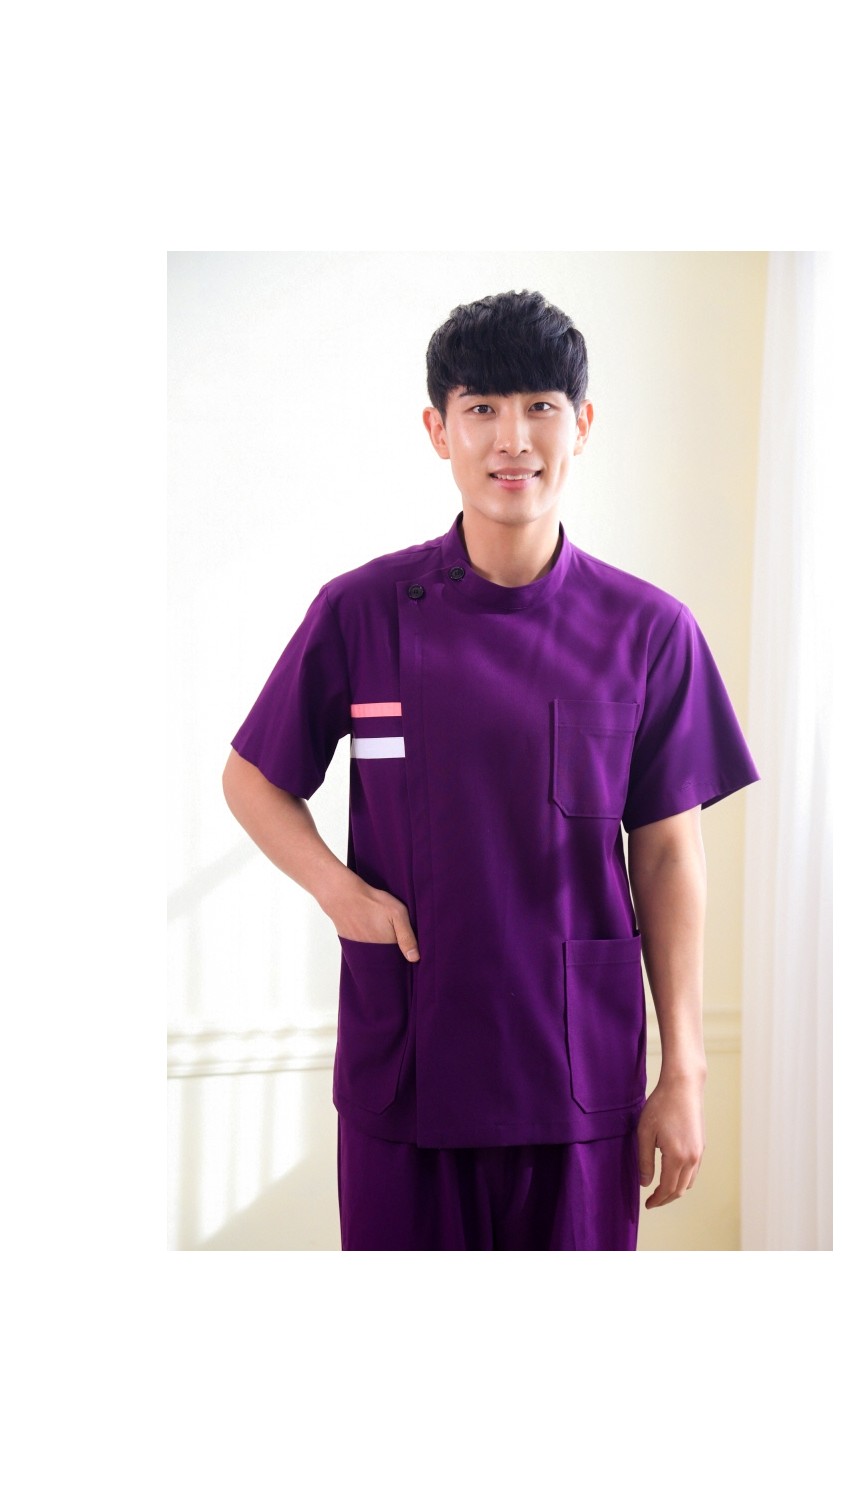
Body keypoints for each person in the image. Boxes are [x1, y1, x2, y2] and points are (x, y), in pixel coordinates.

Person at [222, 289, 759, 1251]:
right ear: (440, 430)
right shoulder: (361, 612)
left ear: (581, 424)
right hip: (408, 1070)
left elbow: (668, 854)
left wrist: (684, 1069)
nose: (513, 439)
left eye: (541, 406)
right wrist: (340, 893)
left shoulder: (649, 631)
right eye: (482, 408)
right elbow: (253, 777)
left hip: (578, 1079)